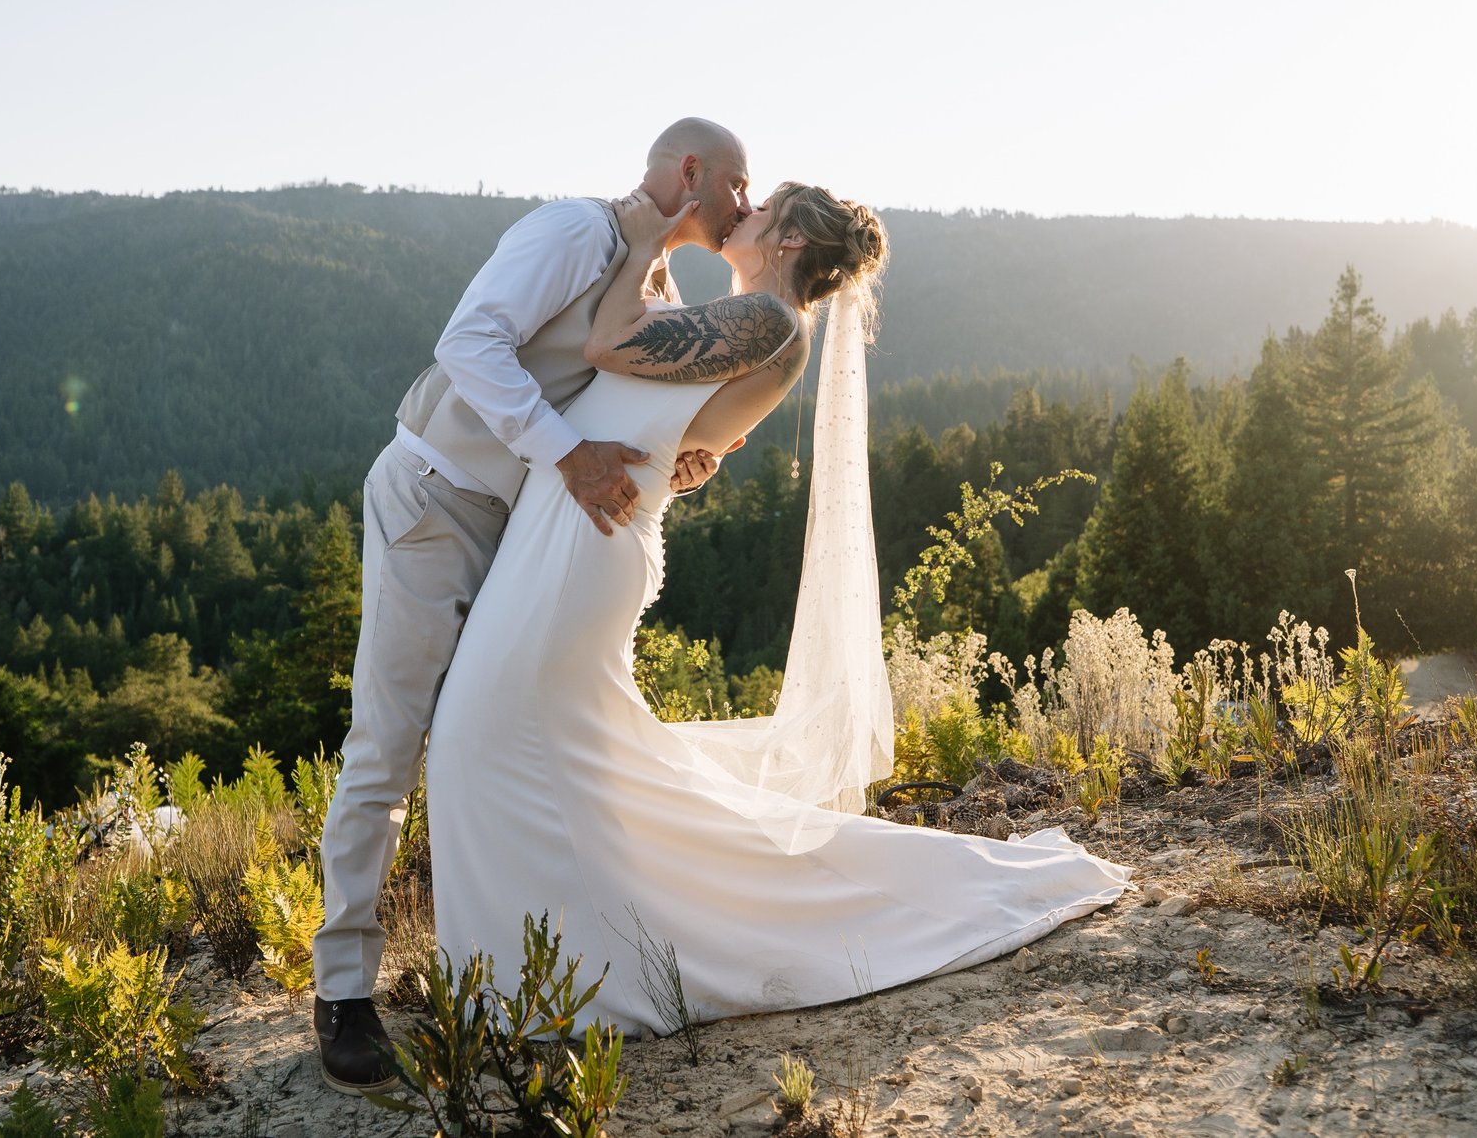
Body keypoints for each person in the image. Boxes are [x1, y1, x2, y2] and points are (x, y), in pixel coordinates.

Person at [426, 184, 1132, 1038]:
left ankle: (553, 971)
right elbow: (676, 442)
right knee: (547, 754)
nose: (745, 208)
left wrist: (648, 233)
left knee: (480, 734)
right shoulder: (744, 320)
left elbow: (607, 343)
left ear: (789, 237)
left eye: (763, 206)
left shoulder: (770, 324)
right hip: (576, 532)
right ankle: (566, 956)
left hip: (580, 550)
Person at [311, 118, 755, 1092]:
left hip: (527, 532)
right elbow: (468, 342)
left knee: (505, 734)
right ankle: (342, 988)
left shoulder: (660, 285)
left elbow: (616, 407)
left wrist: (681, 456)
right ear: (691, 172)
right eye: (736, 182)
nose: (745, 205)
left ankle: (502, 959)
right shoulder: (573, 233)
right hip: (434, 499)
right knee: (387, 739)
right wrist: (564, 453)